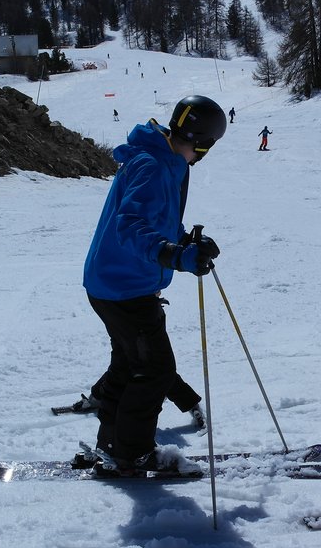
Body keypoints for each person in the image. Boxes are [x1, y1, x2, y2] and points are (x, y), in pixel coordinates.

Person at [82, 95, 228, 474]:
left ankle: (112, 446)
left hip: (114, 282)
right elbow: (130, 225)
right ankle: (132, 453)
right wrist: (173, 255)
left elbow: (156, 220)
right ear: (202, 143)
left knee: (128, 366)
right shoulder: (153, 165)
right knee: (156, 371)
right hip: (125, 286)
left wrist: (185, 242)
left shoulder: (161, 159)